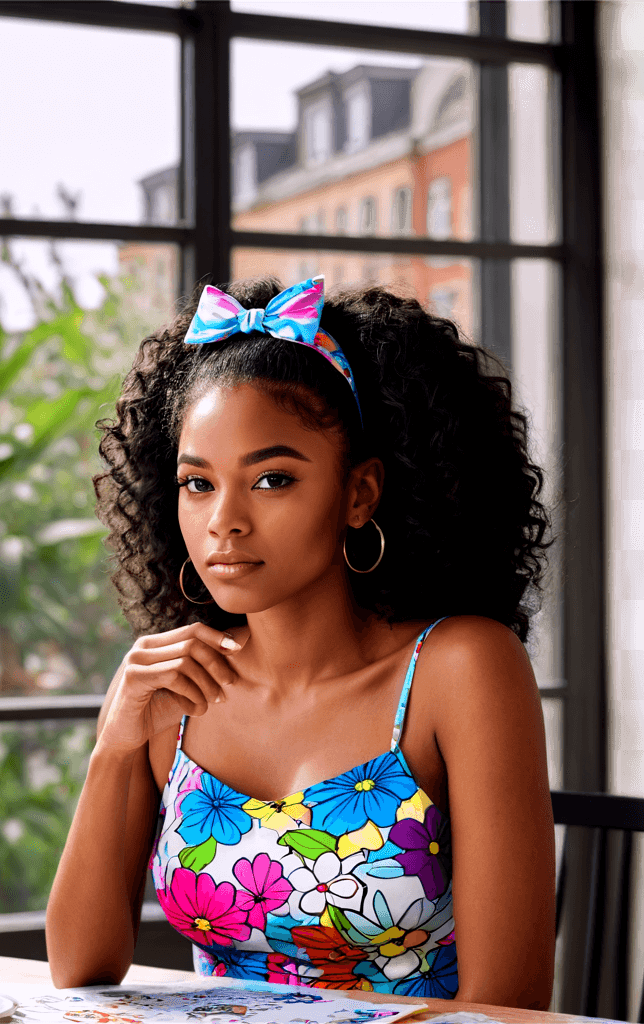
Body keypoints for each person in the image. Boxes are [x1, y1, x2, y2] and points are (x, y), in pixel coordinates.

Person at [46, 276, 556, 1008]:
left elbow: (507, 1005)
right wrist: (115, 747)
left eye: (272, 479)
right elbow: (80, 967)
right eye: (198, 484)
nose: (225, 521)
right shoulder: (174, 693)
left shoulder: (461, 669)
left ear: (360, 494)